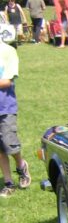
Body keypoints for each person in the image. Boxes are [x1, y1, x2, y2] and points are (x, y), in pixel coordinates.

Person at [0, 40, 31, 197]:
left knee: (9, 144)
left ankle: (21, 165)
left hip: (5, 107)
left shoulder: (8, 51)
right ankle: (8, 183)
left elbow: (7, 81)